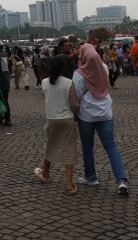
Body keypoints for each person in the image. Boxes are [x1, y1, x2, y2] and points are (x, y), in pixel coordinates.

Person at [73, 44, 129, 196]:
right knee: (111, 146)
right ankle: (121, 180)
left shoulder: (78, 74)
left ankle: (90, 176)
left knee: (87, 145)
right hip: (105, 112)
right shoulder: (103, 67)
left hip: (86, 115)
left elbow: (76, 96)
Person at [34, 56, 78, 194]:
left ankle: (46, 172)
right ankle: (70, 184)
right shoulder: (69, 83)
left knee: (50, 145)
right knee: (69, 149)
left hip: (52, 118)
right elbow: (74, 104)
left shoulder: (44, 83)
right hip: (67, 119)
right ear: (63, 68)